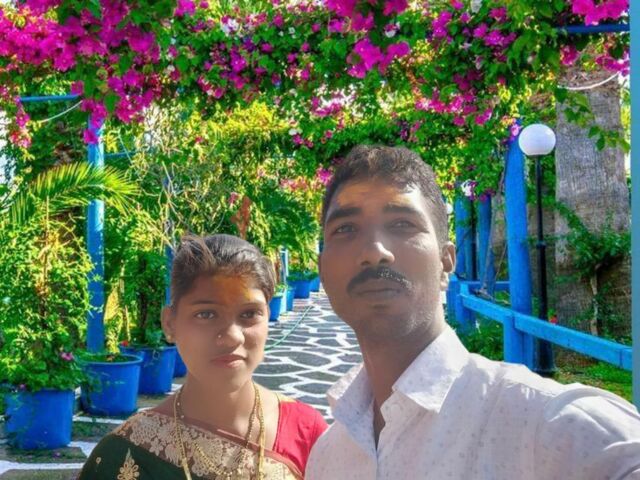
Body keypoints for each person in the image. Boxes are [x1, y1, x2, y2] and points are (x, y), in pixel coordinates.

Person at [306, 145, 640, 479]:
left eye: (402, 224)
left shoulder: (546, 427)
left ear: (446, 262)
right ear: (323, 270)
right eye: (345, 229)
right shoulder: (327, 457)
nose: (374, 250)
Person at [79, 234, 328, 480]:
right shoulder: (125, 455)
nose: (232, 337)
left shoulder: (307, 432)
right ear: (170, 324)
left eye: (249, 314)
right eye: (206, 314)